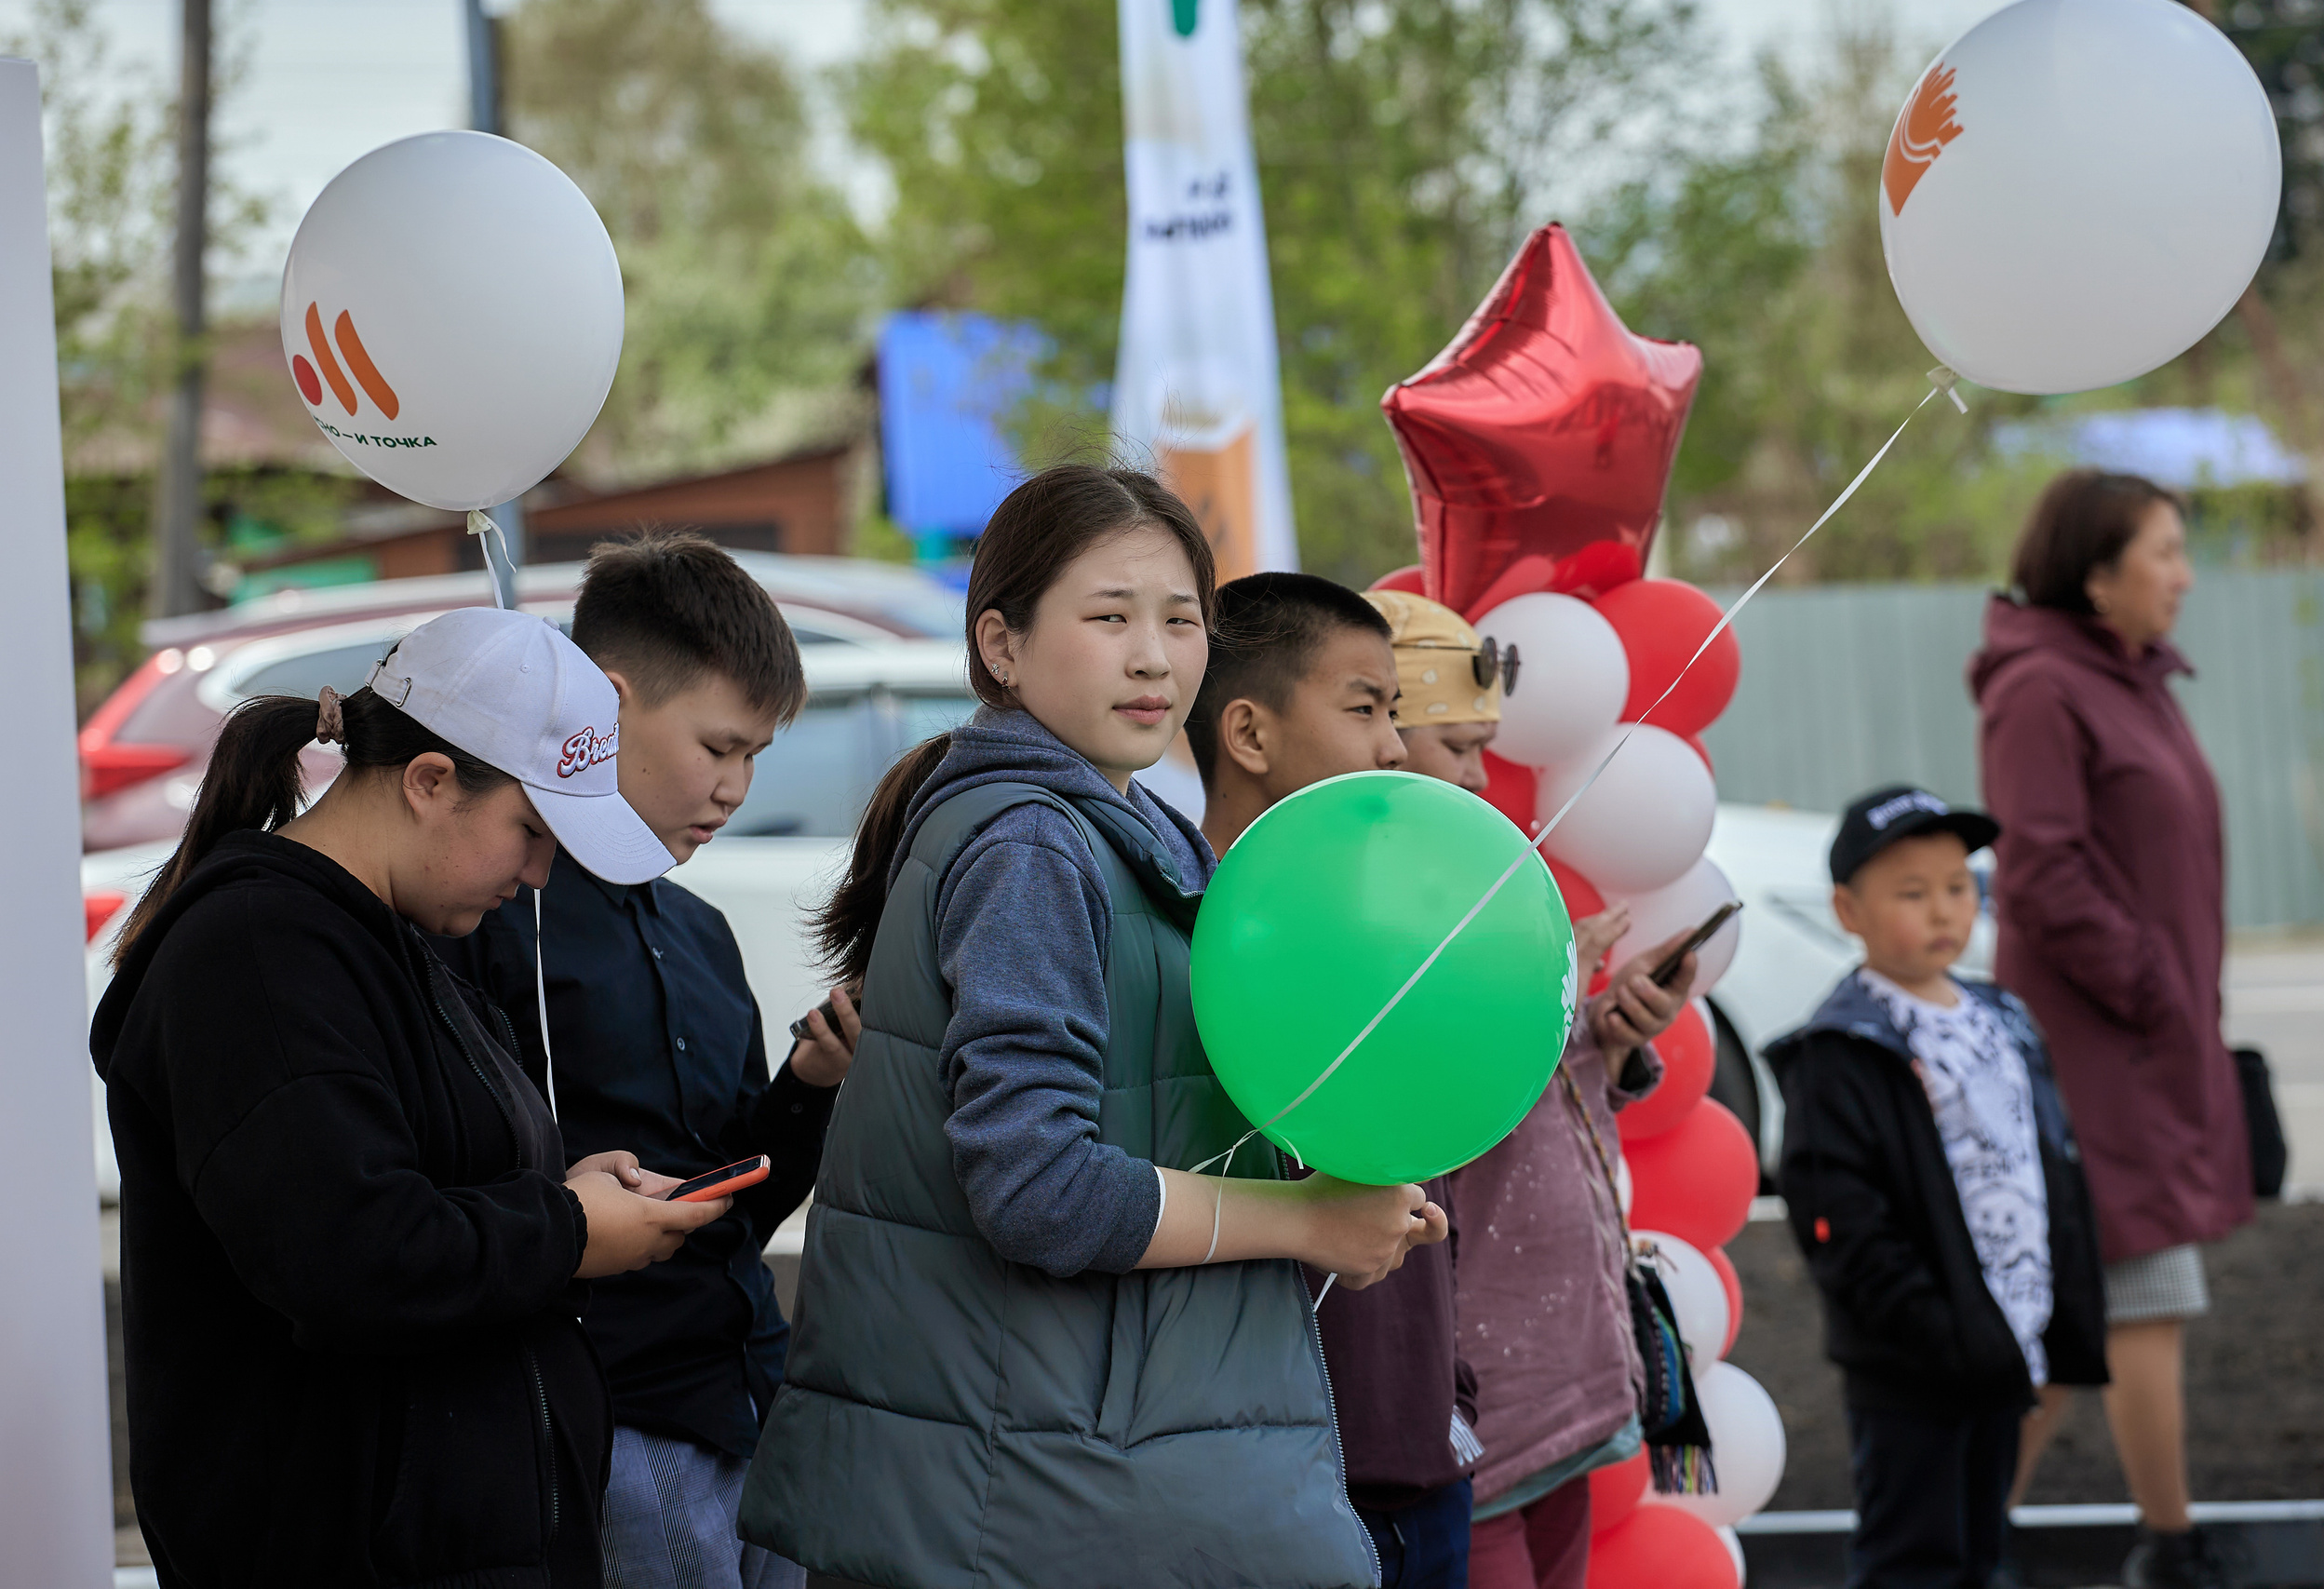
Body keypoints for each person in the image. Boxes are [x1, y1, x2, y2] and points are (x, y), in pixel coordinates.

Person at [735, 465, 1444, 1589]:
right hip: (1032, 1481)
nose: (1155, 658)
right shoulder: (1033, 845)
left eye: (1180, 621)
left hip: (1065, 1457)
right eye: (1108, 617)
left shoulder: (1119, 827)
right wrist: (1306, 1222)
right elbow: (1039, 1191)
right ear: (1001, 646)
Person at [92, 607, 733, 1588]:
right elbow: (348, 1251)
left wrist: (558, 1188)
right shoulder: (259, 953)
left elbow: (405, 1184)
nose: (538, 875)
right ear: (430, 782)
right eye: (530, 830)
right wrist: (563, 1228)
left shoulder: (389, 936)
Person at [435, 534, 858, 1589]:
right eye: (719, 746)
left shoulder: (701, 933)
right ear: (607, 705)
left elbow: (730, 1206)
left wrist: (808, 1090)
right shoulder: (491, 924)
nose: (736, 788)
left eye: (757, 755)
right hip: (611, 1413)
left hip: (755, 1395)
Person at [1367, 589, 1695, 1589]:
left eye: (1485, 744)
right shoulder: (1358, 906)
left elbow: (1538, 1103)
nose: (1477, 772)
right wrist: (1544, 1006)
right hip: (1478, 1396)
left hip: (1567, 1371)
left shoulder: (1477, 876)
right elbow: (1436, 1121)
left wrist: (1606, 1033)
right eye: (1454, 743)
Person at [1969, 471, 2245, 1589]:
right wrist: (2151, 987)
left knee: (2081, 1326)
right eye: (2163, 552)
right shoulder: (2042, 688)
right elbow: (2040, 870)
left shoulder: (2132, 682)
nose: (2182, 575)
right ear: (2094, 573)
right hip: (2097, 1052)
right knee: (2137, 1296)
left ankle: (1961, 1541)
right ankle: (2167, 1546)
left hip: (2143, 1039)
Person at [1186, 571, 1481, 1588]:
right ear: (1249, 736)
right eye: (1365, 710)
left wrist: (1451, 1393)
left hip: (1424, 1454)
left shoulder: (1393, 933)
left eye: (1395, 714)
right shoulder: (1176, 949)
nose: (1395, 749)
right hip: (1272, 1485)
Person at [1767, 786, 2108, 1589]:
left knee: (1985, 1544)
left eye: (1958, 887)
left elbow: (2043, 1158)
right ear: (1848, 910)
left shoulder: (2001, 1015)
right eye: (1912, 893)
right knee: (1913, 1555)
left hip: (2005, 1339)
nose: (1943, 910)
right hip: (1912, 1361)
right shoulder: (1843, 1046)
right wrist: (1928, 1323)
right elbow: (1840, 1219)